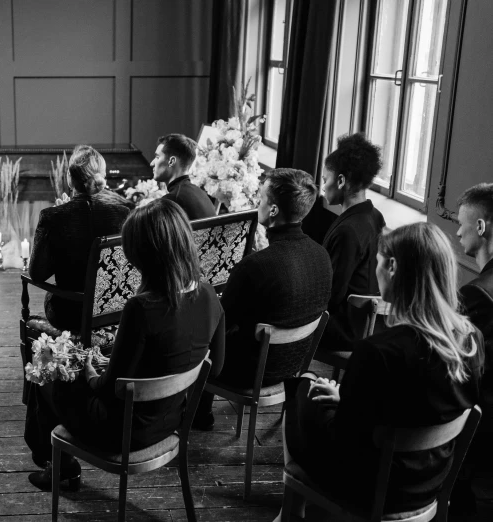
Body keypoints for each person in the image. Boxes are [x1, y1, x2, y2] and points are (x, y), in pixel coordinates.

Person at [274, 222, 484, 520]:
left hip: (375, 490)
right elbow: (417, 408)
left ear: (393, 266)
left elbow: (346, 443)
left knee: (302, 393)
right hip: (429, 483)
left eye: (378, 262)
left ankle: (290, 514)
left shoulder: (378, 351)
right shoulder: (471, 340)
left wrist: (324, 401)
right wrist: (345, 400)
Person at [25, 199, 225, 490]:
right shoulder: (209, 295)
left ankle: (59, 467)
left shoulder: (142, 307)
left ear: (143, 254)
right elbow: (214, 368)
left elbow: (107, 389)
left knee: (46, 371)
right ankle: (58, 463)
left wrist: (90, 372)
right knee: (59, 370)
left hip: (122, 431)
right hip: (170, 420)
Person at [195, 169, 332, 430]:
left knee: (206, 329)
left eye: (261, 199)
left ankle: (198, 414)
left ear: (273, 211)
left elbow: (218, 326)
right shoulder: (321, 255)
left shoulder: (255, 266)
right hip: (294, 366)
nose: (258, 203)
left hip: (250, 373)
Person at [29, 145, 130, 330]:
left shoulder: (52, 217)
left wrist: (60, 224)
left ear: (69, 177)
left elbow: (36, 274)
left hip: (69, 314)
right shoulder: (123, 214)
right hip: (113, 311)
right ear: (102, 177)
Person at [318, 133, 386, 351]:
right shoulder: (374, 216)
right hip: (370, 324)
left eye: (325, 179)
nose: (323, 187)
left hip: (346, 330)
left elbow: (332, 294)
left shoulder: (347, 231)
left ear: (340, 181)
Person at [450, 183, 493, 516]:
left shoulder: (478, 294)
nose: (457, 231)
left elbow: (457, 368)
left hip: (479, 427)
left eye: (461, 222)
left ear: (480, 227)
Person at [151, 133, 216, 220]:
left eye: (157, 157)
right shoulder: (201, 194)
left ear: (171, 161)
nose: (152, 163)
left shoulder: (172, 200)